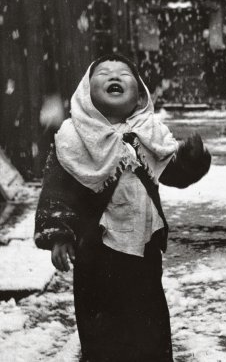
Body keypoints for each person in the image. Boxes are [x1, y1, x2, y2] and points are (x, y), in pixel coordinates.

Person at [34, 53, 211, 361]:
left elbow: (172, 172)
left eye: (124, 74)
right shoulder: (72, 139)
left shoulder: (149, 134)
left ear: (139, 93)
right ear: (86, 93)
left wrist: (192, 159)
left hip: (143, 248)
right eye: (103, 74)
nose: (114, 76)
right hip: (95, 249)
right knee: (100, 324)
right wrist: (59, 234)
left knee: (149, 319)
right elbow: (57, 191)